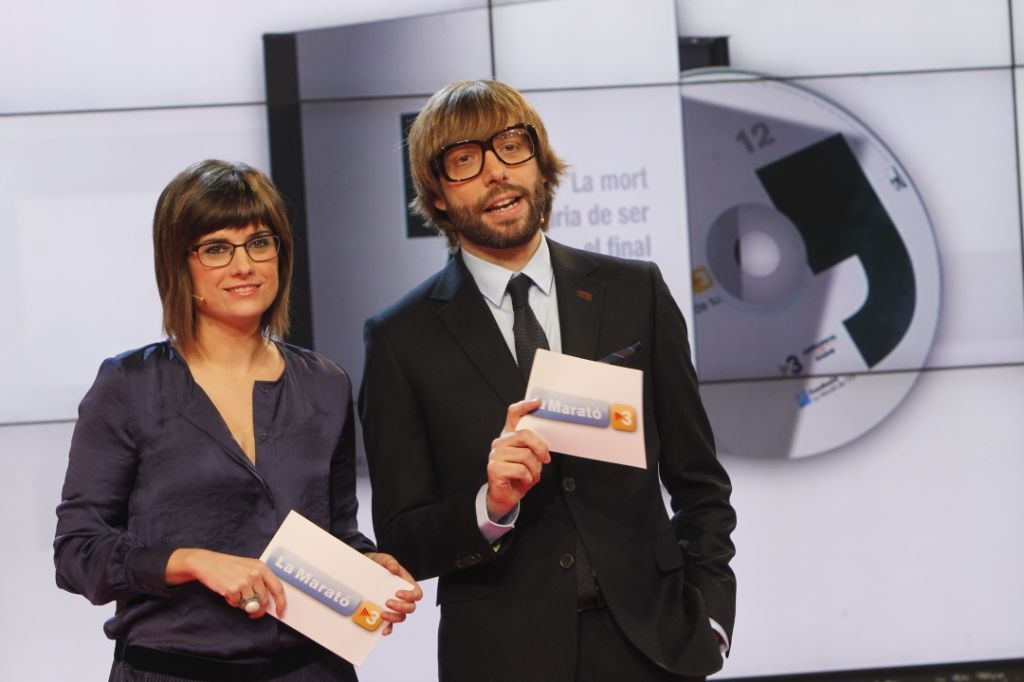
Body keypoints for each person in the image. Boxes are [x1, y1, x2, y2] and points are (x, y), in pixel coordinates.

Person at [359, 80, 736, 682]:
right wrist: (490, 506)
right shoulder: (400, 338)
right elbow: (403, 537)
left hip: (653, 645)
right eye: (465, 160)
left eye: (512, 146)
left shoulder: (634, 291)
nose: (497, 172)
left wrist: (710, 617)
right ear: (436, 195)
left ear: (540, 162)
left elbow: (700, 481)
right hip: (502, 655)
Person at [54, 159, 422, 682]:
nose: (244, 265)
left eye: (259, 243)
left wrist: (368, 565)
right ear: (178, 264)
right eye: (216, 248)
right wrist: (190, 561)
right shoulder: (128, 385)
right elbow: (78, 553)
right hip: (173, 670)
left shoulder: (326, 383)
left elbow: (335, 531)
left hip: (312, 669)